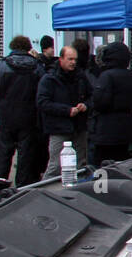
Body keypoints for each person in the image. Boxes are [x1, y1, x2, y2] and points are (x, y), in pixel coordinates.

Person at [0, 35, 45, 185]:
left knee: (4, 154)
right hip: (28, 117)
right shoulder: (37, 66)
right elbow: (43, 90)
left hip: (6, 116)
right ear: (28, 47)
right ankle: (22, 186)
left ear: (12, 47)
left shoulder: (1, 65)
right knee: (25, 155)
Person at [36, 44, 92, 177]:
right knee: (56, 166)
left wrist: (86, 105)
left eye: (75, 60)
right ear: (61, 59)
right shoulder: (49, 79)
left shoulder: (81, 77)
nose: (73, 62)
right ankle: (44, 193)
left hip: (79, 127)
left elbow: (92, 96)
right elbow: (42, 103)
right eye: (70, 59)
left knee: (80, 164)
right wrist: (66, 110)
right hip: (58, 128)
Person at [91, 42, 132, 164]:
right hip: (126, 129)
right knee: (122, 164)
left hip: (106, 130)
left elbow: (100, 102)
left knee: (102, 166)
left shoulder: (106, 76)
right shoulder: (131, 77)